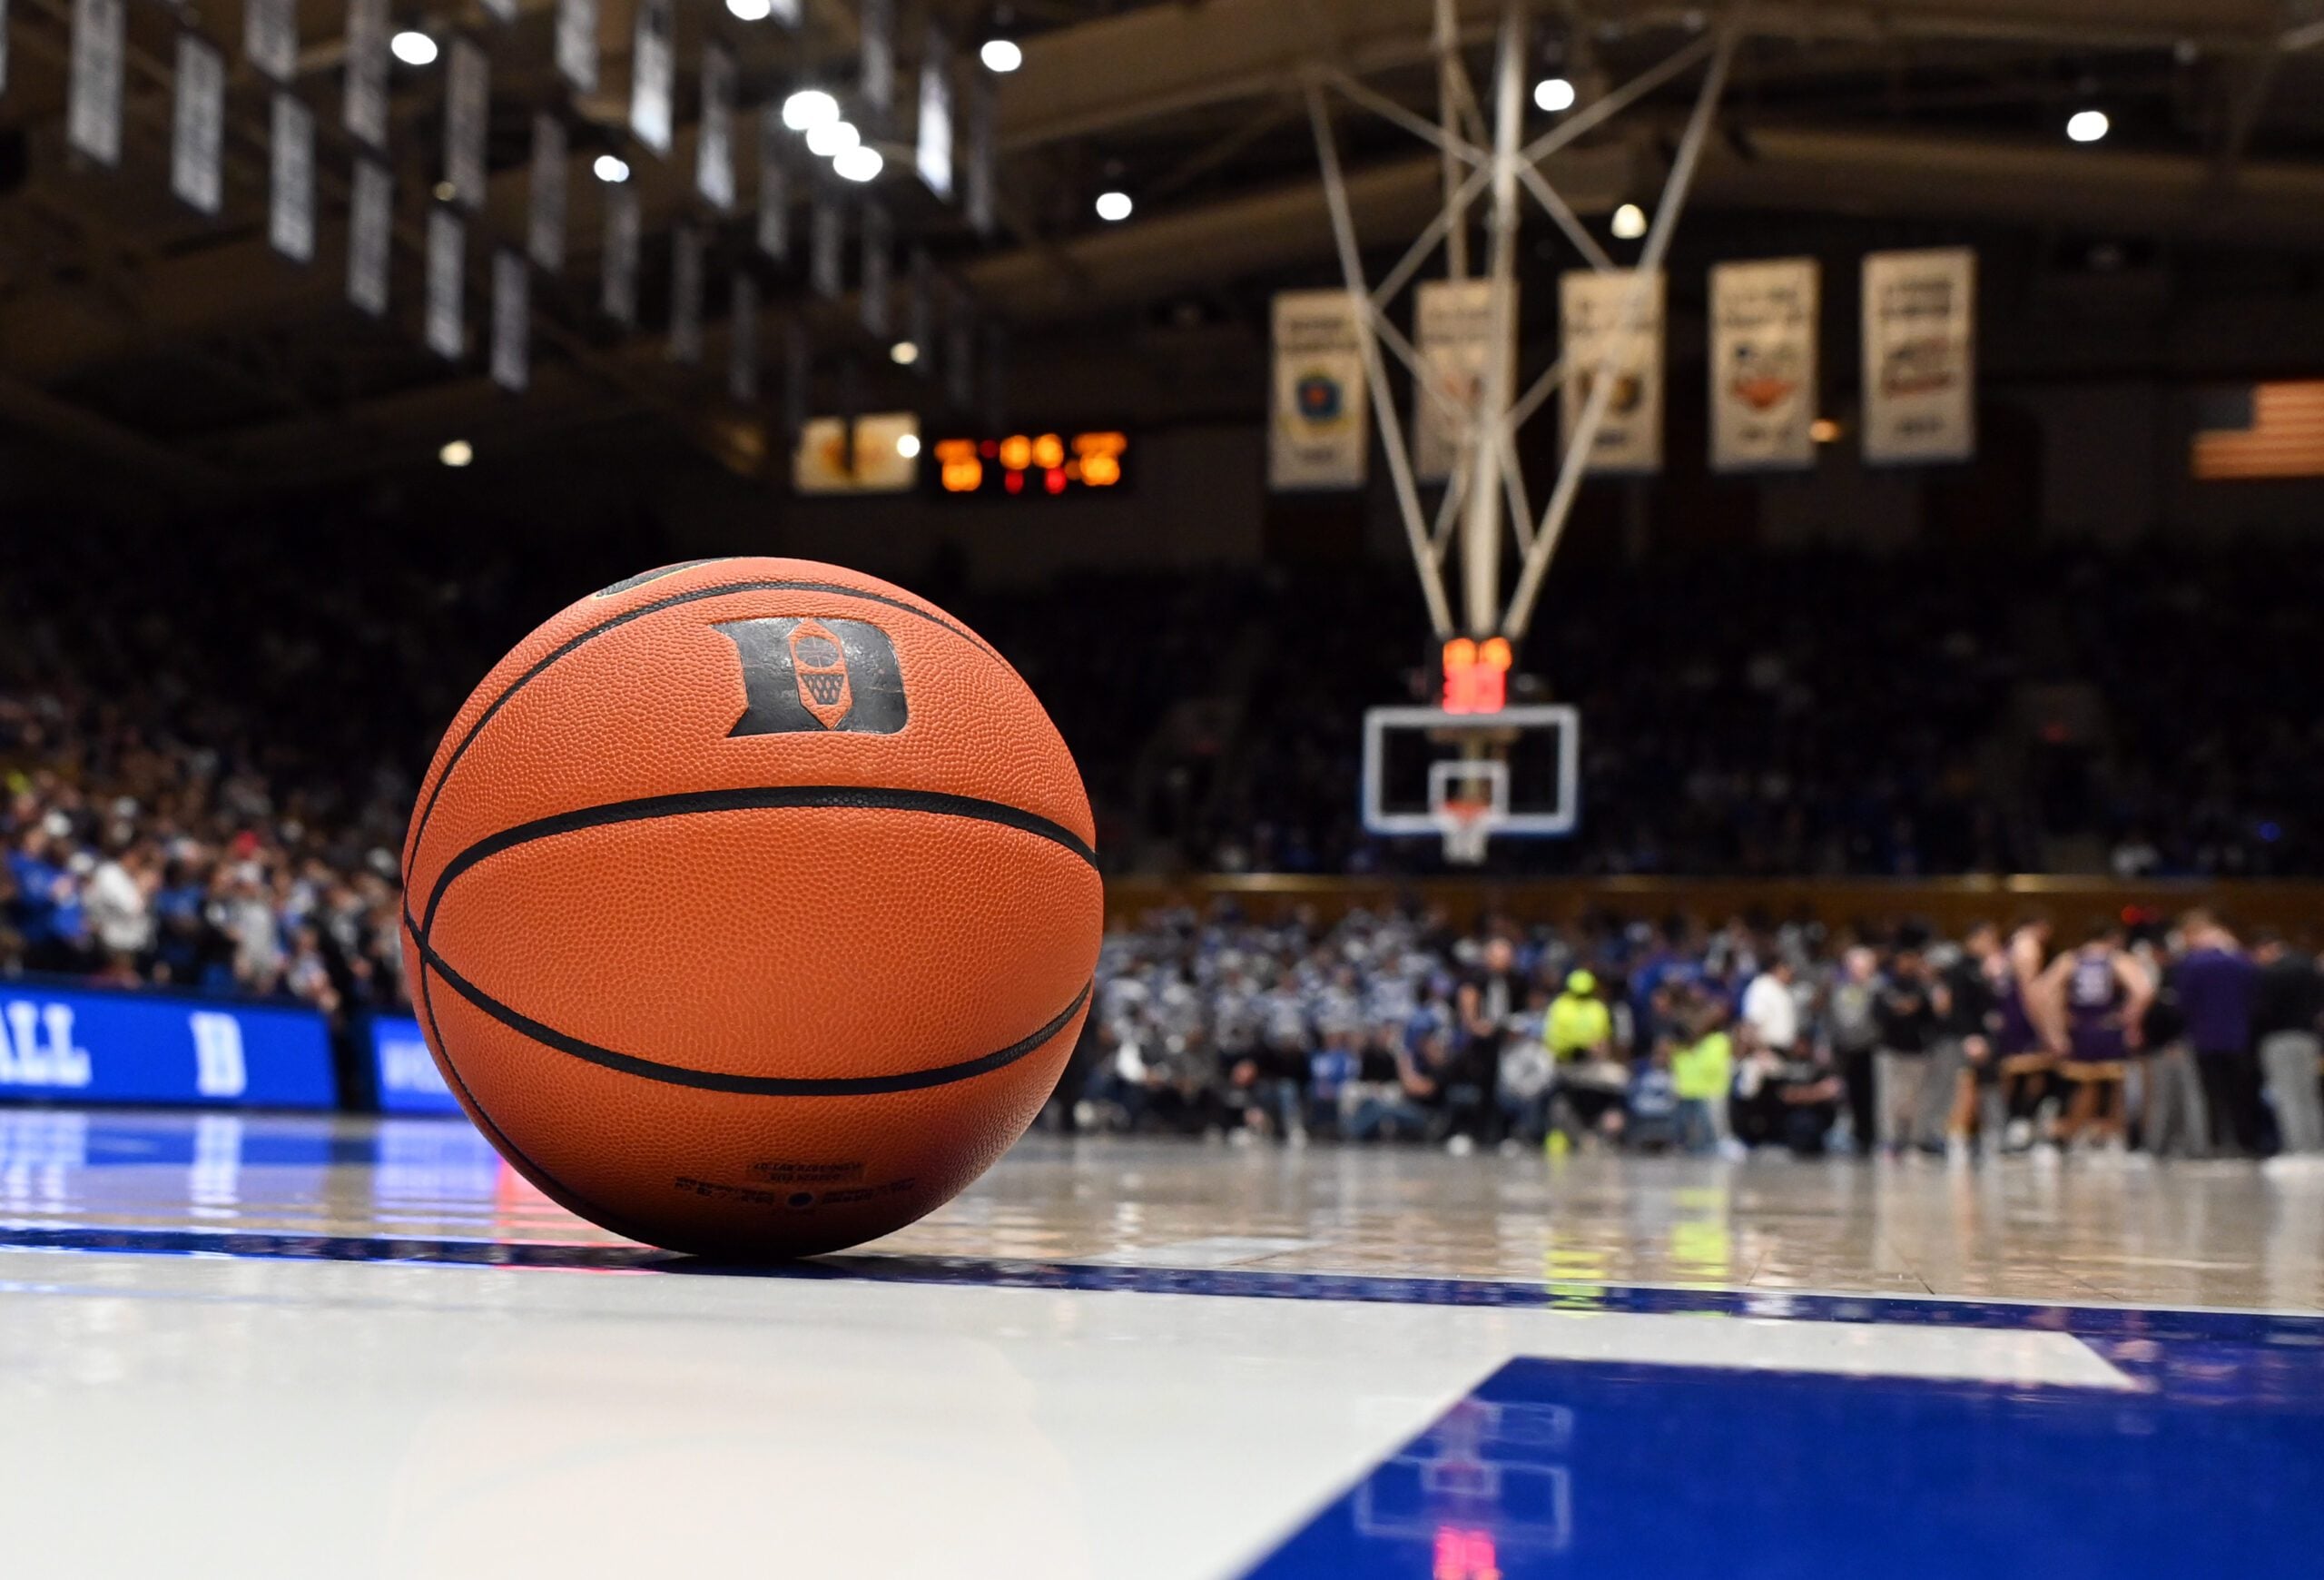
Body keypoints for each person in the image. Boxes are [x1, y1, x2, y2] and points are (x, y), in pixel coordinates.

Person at [2035, 920, 2153, 1157]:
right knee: (2111, 1085)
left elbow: (2042, 991)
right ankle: (2107, 1136)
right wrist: (2131, 1020)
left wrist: (2055, 1028)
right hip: (2108, 1027)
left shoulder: (2070, 959)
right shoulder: (2117, 959)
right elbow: (2143, 990)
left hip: (2081, 1029)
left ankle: (2075, 1134)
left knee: (2080, 1084)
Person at [2176, 911, 2262, 1158]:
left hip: (2205, 1037)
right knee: (2241, 1092)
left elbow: (2185, 1001)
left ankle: (2215, 1143)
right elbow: (2255, 992)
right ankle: (2245, 1142)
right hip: (2238, 1036)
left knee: (2212, 1094)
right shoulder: (2240, 960)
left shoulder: (2193, 963)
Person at [2251, 932, 2324, 1169]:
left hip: (2279, 1038)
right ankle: (2315, 1146)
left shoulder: (2272, 973)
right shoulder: (2308, 965)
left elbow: (2263, 1010)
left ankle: (2296, 1148)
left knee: (2287, 1095)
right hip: (2307, 1036)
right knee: (2308, 1094)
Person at [1934, 923, 2002, 1161]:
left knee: (1986, 1086)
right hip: (1967, 1037)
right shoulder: (1960, 969)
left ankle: (1987, 1136)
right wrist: (1969, 1036)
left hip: (1986, 1035)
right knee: (1963, 1086)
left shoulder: (1985, 968)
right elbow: (1958, 1007)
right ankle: (1955, 1136)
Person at [1994, 915, 2057, 1151]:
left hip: (2009, 1014)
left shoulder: (2010, 945)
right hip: (2022, 1016)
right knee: (2032, 1070)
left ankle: (2013, 1123)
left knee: (2014, 1070)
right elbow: (2030, 990)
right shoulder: (2027, 945)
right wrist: (2044, 1026)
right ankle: (2020, 1122)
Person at [1544, 969, 1625, 1148]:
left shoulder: (1597, 1008)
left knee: (1619, 1080)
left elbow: (1604, 1039)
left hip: (1592, 1064)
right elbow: (1553, 1040)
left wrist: (1597, 1052)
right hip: (1566, 1063)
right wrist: (1575, 1049)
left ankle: (1606, 1133)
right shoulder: (1561, 1006)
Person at [1874, 946, 1939, 1156]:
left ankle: (1916, 1141)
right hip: (1891, 1050)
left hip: (1917, 1050)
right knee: (1890, 1099)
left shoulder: (1922, 989)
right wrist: (1899, 1010)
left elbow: (1932, 1018)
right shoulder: (1885, 987)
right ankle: (1890, 1141)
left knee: (1917, 1099)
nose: (1908, 963)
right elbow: (1877, 1015)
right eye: (1904, 958)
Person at [1825, 946, 1883, 1154]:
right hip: (1848, 1050)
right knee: (1852, 1096)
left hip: (1874, 1050)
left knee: (1876, 1096)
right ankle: (1858, 1137)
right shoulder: (1841, 990)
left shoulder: (1879, 988)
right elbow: (1837, 1019)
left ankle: (1877, 1137)